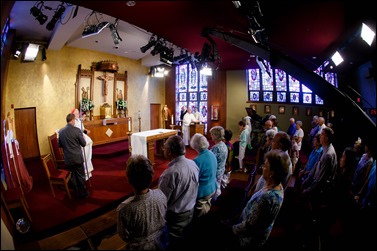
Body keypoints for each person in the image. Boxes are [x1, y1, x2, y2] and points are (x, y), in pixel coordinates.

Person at [231, 149, 290, 249]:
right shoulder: (277, 185)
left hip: (248, 240)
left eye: (265, 166)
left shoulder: (266, 198)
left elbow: (248, 227)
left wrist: (231, 229)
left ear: (271, 173)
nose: (262, 168)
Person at [117, 154, 169, 250]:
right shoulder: (160, 194)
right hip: (163, 241)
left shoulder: (125, 208)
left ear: (128, 179)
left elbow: (124, 235)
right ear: (151, 176)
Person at [158, 135, 199, 249]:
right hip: (190, 209)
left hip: (176, 217)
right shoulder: (193, 164)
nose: (163, 149)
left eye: (165, 148)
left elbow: (162, 201)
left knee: (175, 243)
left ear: (170, 152)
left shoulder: (169, 174)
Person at [58, 113, 89, 199]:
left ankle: (76, 192)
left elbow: (59, 145)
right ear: (72, 120)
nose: (75, 121)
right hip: (77, 157)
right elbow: (83, 144)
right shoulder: (77, 130)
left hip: (68, 158)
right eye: (75, 120)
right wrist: (82, 138)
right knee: (80, 176)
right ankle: (83, 194)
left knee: (73, 175)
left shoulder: (61, 131)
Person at [190, 133, 217, 218]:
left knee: (200, 215)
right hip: (213, 187)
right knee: (207, 208)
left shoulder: (197, 161)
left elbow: (193, 180)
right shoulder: (211, 153)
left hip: (203, 192)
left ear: (195, 145)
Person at [72, 108, 94, 181]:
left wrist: (85, 131)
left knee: (89, 145)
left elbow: (82, 129)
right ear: (73, 114)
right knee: (84, 154)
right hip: (80, 140)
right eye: (76, 113)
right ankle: (84, 170)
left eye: (78, 113)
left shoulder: (79, 120)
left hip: (83, 138)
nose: (78, 114)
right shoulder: (74, 122)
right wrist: (83, 132)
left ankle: (88, 168)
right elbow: (77, 131)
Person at [209, 126, 228, 201]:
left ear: (216, 136)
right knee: (217, 187)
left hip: (215, 172)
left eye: (212, 134)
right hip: (221, 170)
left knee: (215, 190)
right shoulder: (223, 145)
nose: (211, 136)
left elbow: (210, 162)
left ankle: (216, 202)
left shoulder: (216, 148)